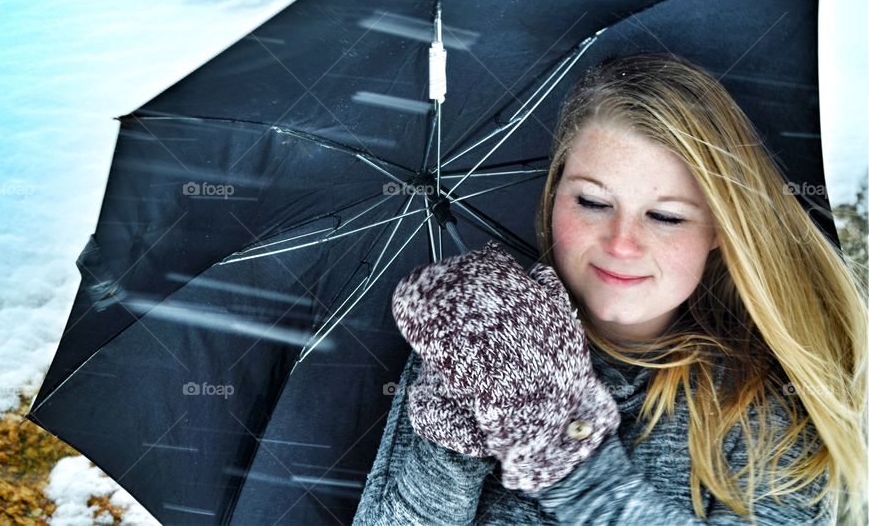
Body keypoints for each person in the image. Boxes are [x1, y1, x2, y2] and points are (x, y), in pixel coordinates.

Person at [352, 54, 867, 525]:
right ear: (554, 196)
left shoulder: (768, 414)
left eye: (665, 216)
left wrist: (566, 454)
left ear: (719, 233)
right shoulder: (478, 334)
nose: (622, 243)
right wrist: (452, 440)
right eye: (594, 203)